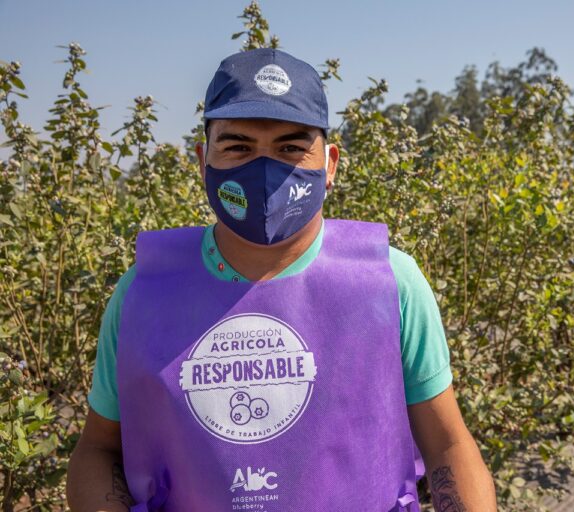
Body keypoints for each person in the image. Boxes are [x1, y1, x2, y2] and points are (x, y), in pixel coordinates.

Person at [66, 48, 497, 511]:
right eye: (238, 147)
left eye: (291, 147)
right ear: (202, 161)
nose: (265, 170)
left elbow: (448, 445)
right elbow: (99, 448)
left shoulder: (389, 283)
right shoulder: (144, 293)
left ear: (330, 164)